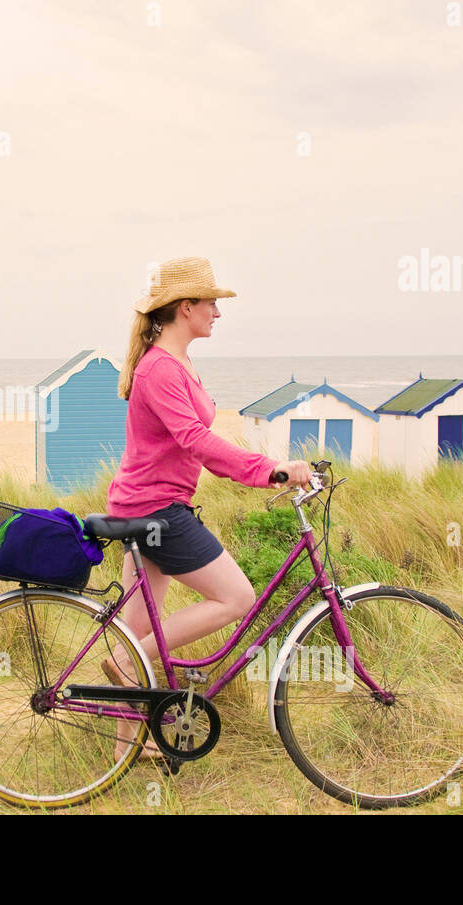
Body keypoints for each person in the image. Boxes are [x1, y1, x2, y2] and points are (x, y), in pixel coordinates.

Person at [102, 257, 312, 760]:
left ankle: (119, 756)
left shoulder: (175, 363)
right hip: (157, 511)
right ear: (185, 307)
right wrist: (271, 470)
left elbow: (195, 440)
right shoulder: (159, 369)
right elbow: (196, 440)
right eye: (211, 302)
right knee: (237, 597)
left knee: (136, 630)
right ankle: (132, 662)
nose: (218, 311)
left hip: (144, 507)